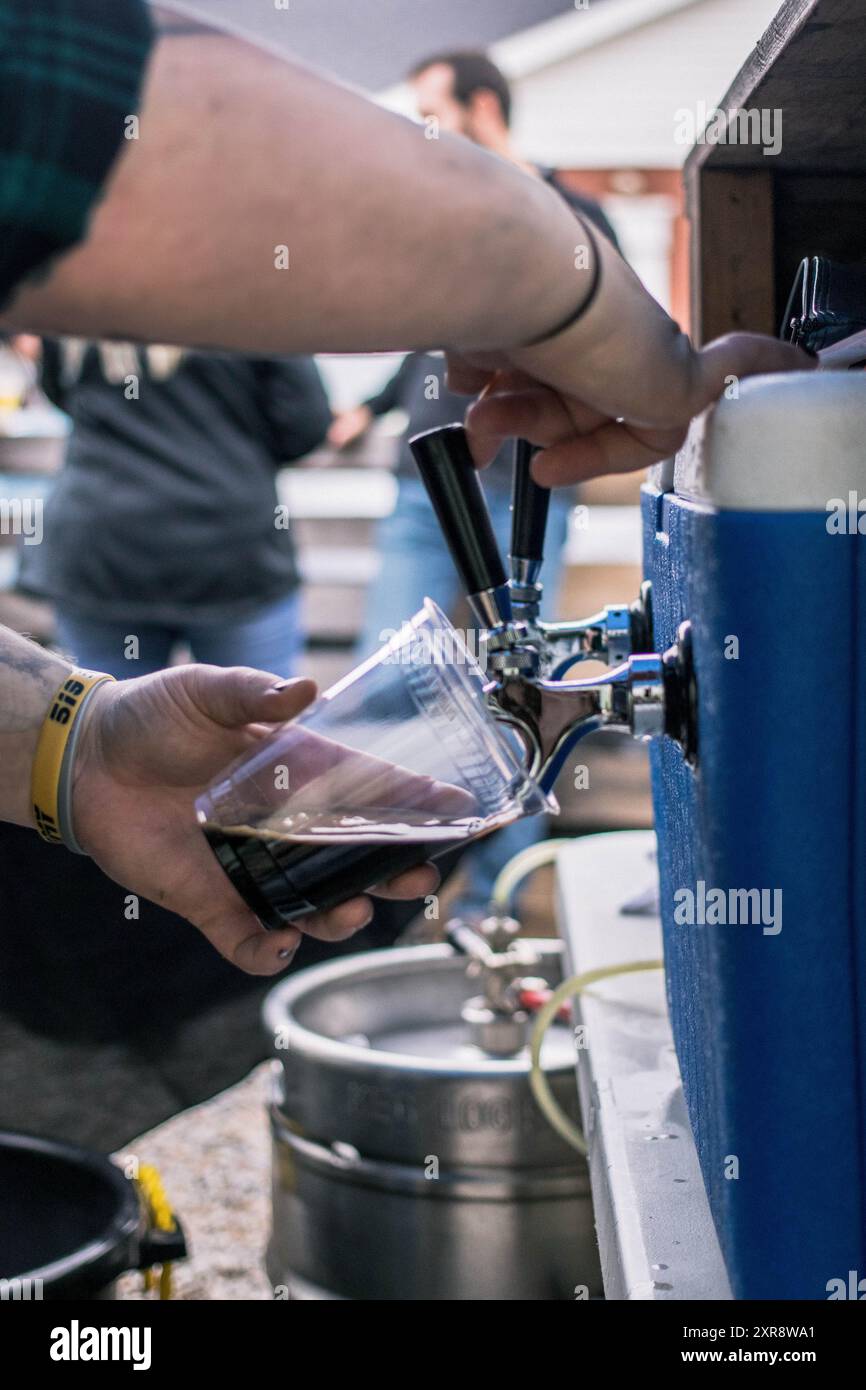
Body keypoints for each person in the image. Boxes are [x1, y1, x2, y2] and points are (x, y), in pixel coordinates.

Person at [0, 1, 815, 978]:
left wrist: (83, 747)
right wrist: (588, 311)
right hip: (315, 528)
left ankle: (493, 903)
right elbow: (81, 104)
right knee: (395, 741)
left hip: (128, 552)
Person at [330, 52, 621, 920]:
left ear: (483, 107)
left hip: (531, 484)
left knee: (523, 689)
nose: (420, 130)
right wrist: (372, 407)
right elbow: (431, 345)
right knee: (381, 675)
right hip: (431, 483)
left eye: (431, 110)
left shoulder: (573, 213)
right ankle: (366, 887)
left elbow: (607, 338)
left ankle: (496, 900)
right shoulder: (438, 211)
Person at [16, 339, 330, 679]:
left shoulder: (80, 298)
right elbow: (304, 423)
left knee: (108, 722)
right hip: (229, 550)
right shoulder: (253, 303)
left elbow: (60, 392)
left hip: (100, 549)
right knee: (258, 722)